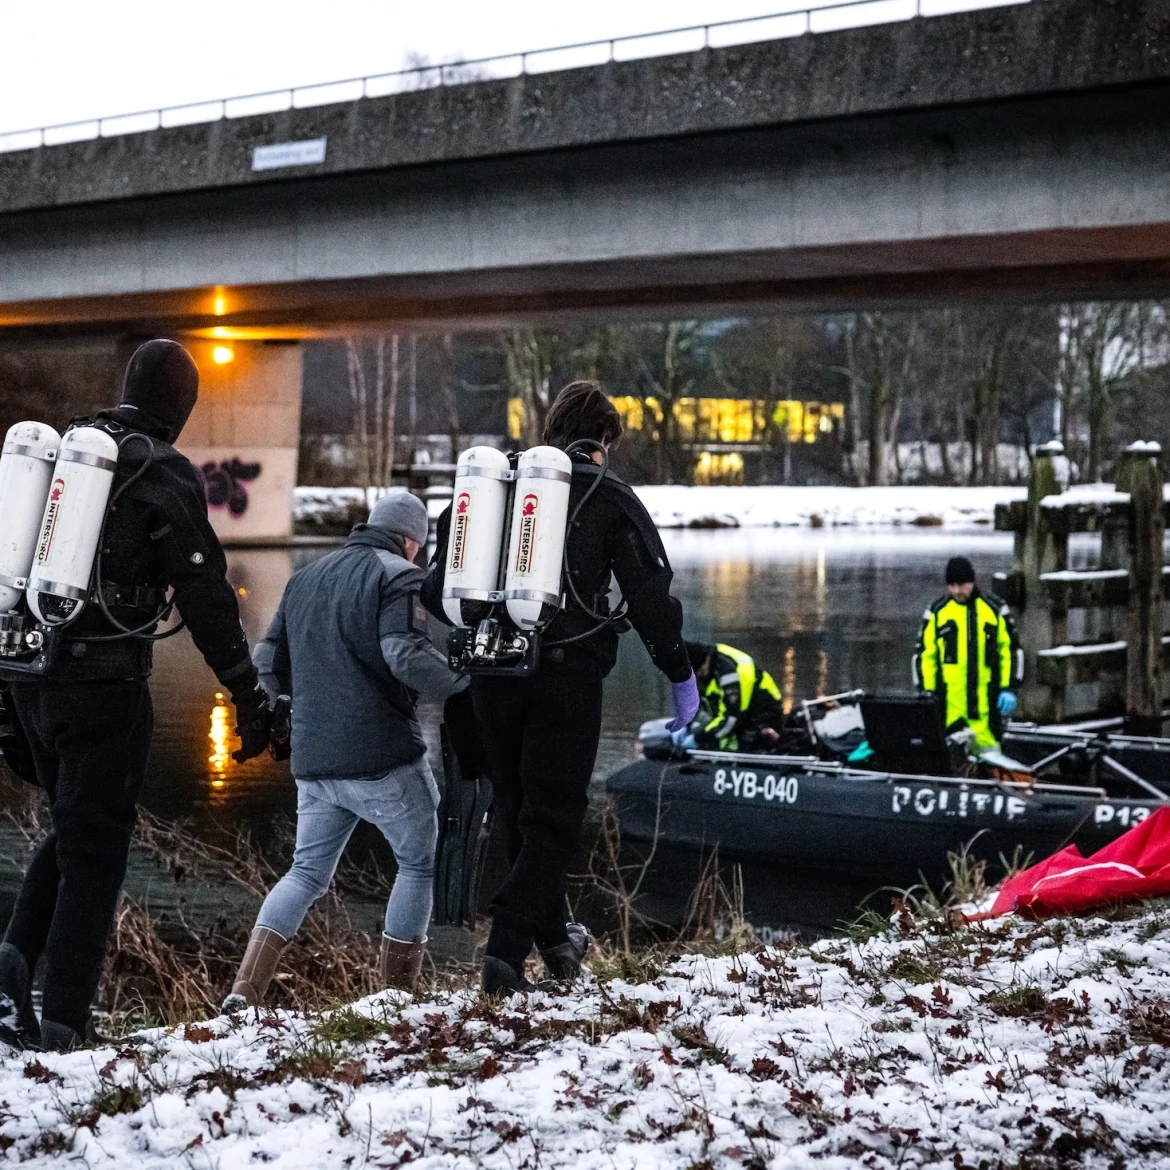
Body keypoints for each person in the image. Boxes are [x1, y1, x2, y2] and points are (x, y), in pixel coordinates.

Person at [0, 339, 271, 1052]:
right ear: (179, 407)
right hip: (105, 683)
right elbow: (206, 593)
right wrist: (246, 691)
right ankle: (65, 1018)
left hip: (30, 677)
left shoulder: (66, 455)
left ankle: (14, 962)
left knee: (71, 825)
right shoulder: (161, 468)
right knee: (98, 850)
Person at [423, 381, 700, 996]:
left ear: (551, 432)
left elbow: (433, 590)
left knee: (517, 811)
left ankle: (556, 944)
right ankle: (503, 953)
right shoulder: (609, 494)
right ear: (605, 439)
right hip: (567, 679)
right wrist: (681, 676)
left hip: (491, 676)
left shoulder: (492, 493)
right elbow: (652, 600)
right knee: (554, 820)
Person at [224, 491, 465, 1011]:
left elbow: (265, 663)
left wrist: (280, 717)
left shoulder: (306, 577)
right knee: (418, 862)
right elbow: (403, 654)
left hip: (314, 762)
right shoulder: (399, 575)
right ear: (410, 541)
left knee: (305, 872)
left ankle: (243, 993)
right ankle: (396, 1000)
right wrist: (464, 683)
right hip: (381, 757)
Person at [913, 555, 1023, 753]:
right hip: (948, 709)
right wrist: (926, 693)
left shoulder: (994, 609)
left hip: (987, 709)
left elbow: (1011, 651)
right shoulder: (937, 612)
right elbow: (924, 656)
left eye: (961, 585)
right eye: (952, 585)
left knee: (990, 759)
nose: (957, 591)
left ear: (972, 582)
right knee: (951, 760)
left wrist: (1010, 687)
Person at [683, 641, 783, 752]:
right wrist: (688, 727)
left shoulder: (729, 674)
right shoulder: (711, 660)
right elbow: (705, 705)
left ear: (701, 667)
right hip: (742, 714)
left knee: (739, 746)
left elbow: (730, 719)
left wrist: (699, 739)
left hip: (763, 714)